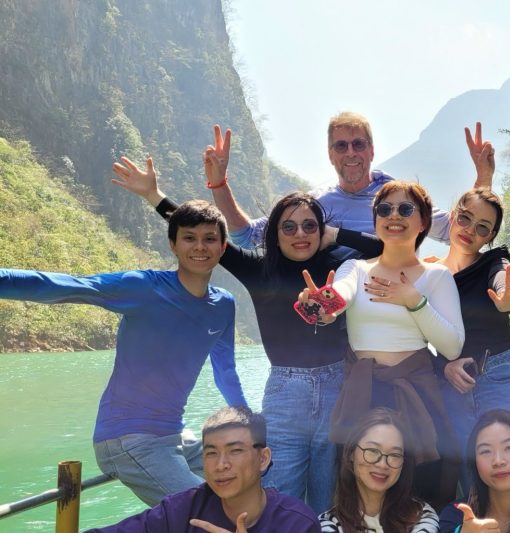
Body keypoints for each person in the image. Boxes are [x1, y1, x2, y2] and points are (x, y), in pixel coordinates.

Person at [112, 156, 371, 512]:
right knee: (279, 498)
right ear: (275, 233)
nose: (300, 234)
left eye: (309, 226)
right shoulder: (258, 270)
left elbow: (388, 247)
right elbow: (207, 236)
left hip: (337, 390)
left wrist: (336, 235)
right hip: (285, 396)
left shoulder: (339, 263)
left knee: (329, 499)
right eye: (289, 227)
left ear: (320, 230)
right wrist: (154, 196)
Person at [0, 201, 248, 506]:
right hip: (127, 439)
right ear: (173, 244)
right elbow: (70, 286)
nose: (200, 247)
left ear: (222, 247)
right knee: (209, 510)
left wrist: (248, 423)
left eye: (209, 238)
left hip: (176, 435)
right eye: (189, 238)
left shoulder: (223, 304)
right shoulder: (144, 288)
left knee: (250, 483)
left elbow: (225, 371)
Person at [301, 181, 465, 510]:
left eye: (405, 209)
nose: (394, 216)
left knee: (418, 494)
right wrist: (324, 304)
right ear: (375, 219)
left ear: (423, 222)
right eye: (385, 209)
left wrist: (413, 301)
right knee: (358, 495)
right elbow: (343, 294)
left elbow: (452, 347)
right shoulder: (356, 268)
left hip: (415, 396)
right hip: (362, 394)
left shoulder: (436, 276)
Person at [203, 115, 495, 253]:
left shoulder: (399, 201)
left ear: (371, 150)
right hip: (337, 323)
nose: (351, 153)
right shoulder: (315, 205)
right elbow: (247, 237)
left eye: (359, 144)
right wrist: (218, 184)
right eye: (341, 146)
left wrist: (483, 176)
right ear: (330, 154)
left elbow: (458, 231)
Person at [433, 187, 510, 491]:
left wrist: (509, 299)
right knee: (472, 479)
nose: (470, 230)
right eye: (465, 218)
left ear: (490, 236)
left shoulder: (494, 262)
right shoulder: (429, 274)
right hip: (453, 384)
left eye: (482, 227)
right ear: (453, 216)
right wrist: (443, 367)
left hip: (500, 376)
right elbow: (417, 336)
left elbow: (503, 285)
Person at [87, 406, 321, 533]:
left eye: (235, 450)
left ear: (263, 458)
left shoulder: (297, 523)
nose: (221, 465)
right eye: (211, 453)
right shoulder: (182, 511)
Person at [318, 408, 439, 533]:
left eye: (394, 455)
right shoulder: (327, 524)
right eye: (372, 451)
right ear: (351, 453)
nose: (382, 464)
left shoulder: (421, 516)